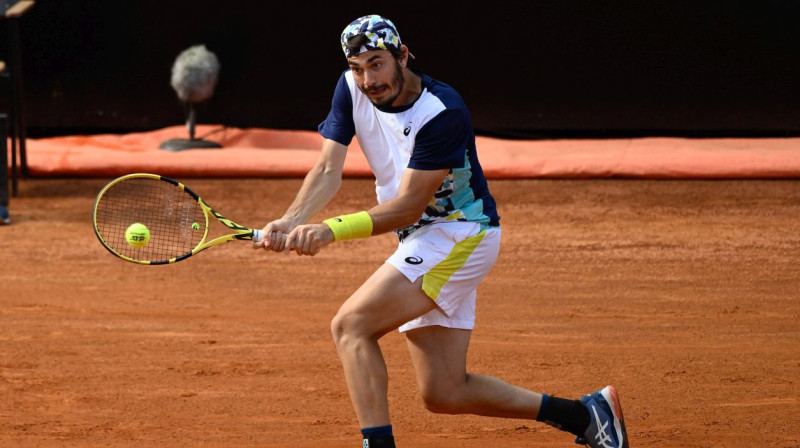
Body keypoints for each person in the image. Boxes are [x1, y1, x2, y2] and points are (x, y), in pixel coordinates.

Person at [254, 14, 629, 448]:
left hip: (460, 235)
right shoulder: (349, 89)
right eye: (358, 68)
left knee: (351, 326)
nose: (367, 79)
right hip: (422, 239)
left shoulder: (442, 110)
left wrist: (330, 230)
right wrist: (293, 218)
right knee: (445, 392)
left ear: (402, 56)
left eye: (377, 64)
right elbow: (326, 168)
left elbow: (409, 206)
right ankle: (585, 415)